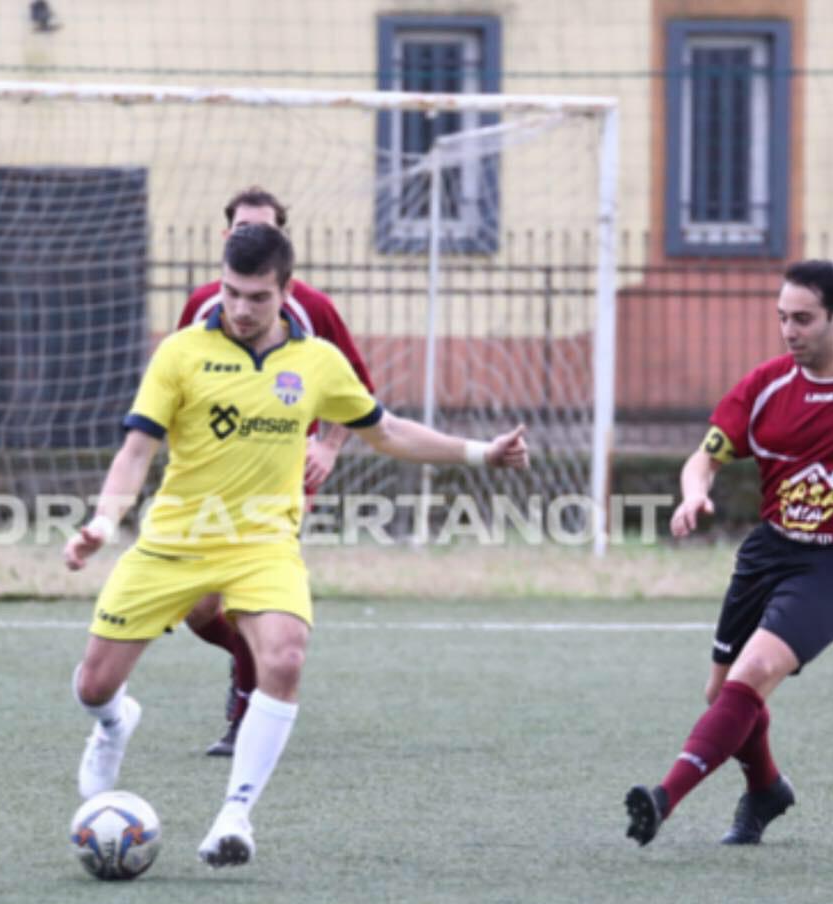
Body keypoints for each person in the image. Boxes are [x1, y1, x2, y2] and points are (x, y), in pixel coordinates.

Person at [65, 222, 528, 869]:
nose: (240, 309)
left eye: (257, 297)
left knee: (284, 658)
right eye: (231, 292)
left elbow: (388, 431)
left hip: (264, 544)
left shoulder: (318, 362)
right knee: (93, 685)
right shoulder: (180, 353)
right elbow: (137, 450)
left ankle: (235, 816)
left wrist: (480, 453)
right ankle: (115, 723)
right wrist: (103, 521)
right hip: (175, 540)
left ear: (285, 292)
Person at [625, 259, 833, 847]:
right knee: (722, 695)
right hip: (769, 553)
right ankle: (767, 788)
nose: (789, 331)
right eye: (782, 318)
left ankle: (663, 798)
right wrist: (694, 493)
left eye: (803, 319)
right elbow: (705, 457)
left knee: (757, 671)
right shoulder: (766, 386)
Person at [178, 186, 376, 757]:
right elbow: (177, 383)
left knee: (247, 597)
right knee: (199, 610)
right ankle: (254, 661)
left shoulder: (312, 307)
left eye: (264, 229)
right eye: (243, 229)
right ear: (226, 236)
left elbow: (359, 391)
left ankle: (247, 712)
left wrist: (329, 447)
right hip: (210, 479)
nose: (252, 238)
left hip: (280, 477)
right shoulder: (202, 305)